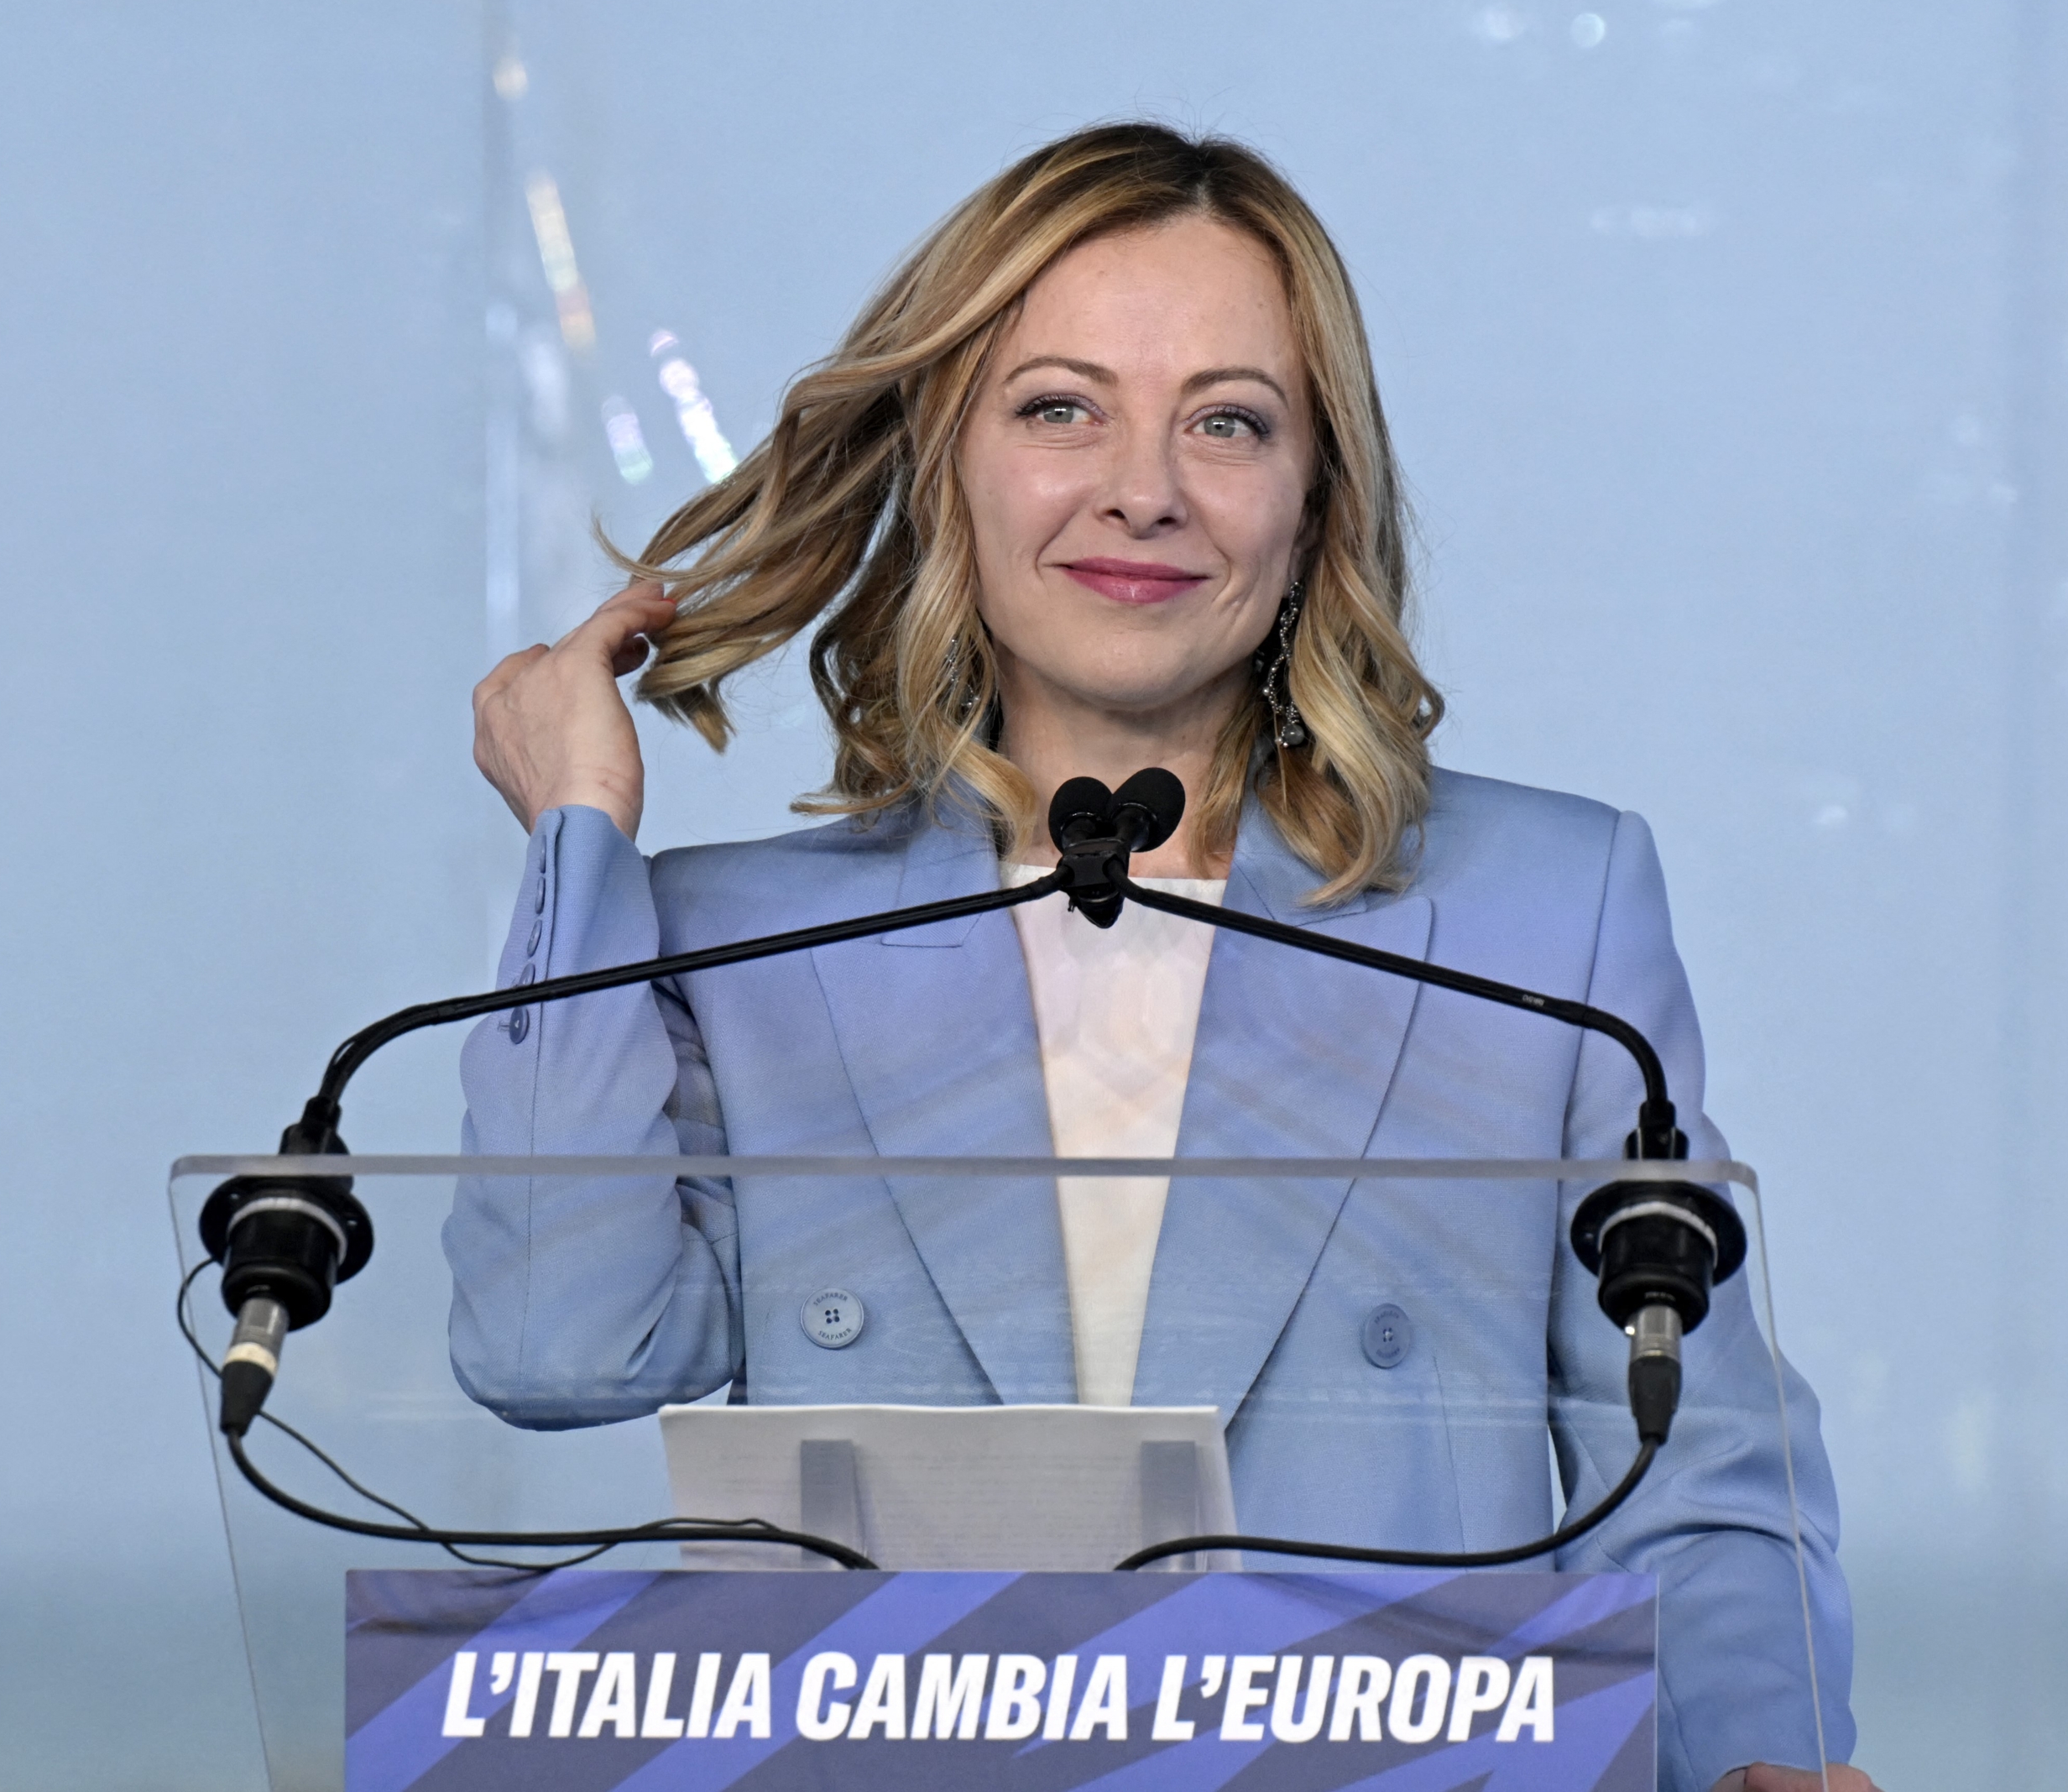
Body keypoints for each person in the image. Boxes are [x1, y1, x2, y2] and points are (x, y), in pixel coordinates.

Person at [448, 123, 1872, 1792]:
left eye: (1230, 422)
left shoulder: (1546, 908)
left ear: (1313, 495)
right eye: (1063, 407)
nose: (1147, 488)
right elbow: (555, 1352)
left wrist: (1760, 1757)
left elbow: (1704, 1461)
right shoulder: (737, 940)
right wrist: (579, 841)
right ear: (948, 460)